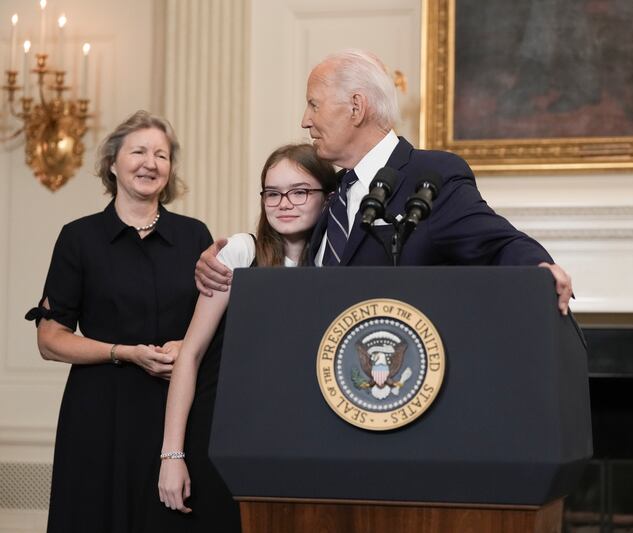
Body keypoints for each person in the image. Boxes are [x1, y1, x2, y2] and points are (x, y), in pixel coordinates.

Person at [195, 49, 573, 313]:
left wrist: (540, 270)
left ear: (356, 108)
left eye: (314, 104)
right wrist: (227, 261)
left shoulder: (430, 175)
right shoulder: (335, 191)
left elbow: (498, 243)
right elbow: (290, 253)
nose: (304, 121)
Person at [24, 111, 213, 532]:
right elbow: (50, 338)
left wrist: (188, 346)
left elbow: (215, 323)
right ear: (112, 162)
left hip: (176, 415)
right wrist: (122, 352)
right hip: (98, 417)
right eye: (139, 151)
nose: (151, 163)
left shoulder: (194, 236)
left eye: (162, 155)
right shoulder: (79, 238)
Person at [157, 144, 337, 527]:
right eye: (272, 192)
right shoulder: (241, 251)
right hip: (223, 431)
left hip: (299, 437)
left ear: (327, 197)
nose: (284, 203)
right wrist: (171, 456)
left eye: (299, 191)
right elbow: (190, 355)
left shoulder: (336, 264)